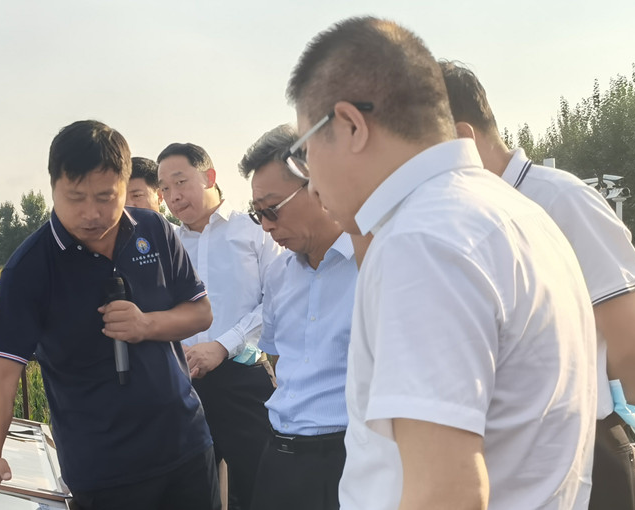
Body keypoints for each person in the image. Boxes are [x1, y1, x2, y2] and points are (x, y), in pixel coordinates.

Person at [286, 17, 597, 510]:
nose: (310, 181)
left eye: (305, 151)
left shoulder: (421, 241)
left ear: (350, 125)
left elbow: (447, 493)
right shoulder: (512, 212)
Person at [440, 61, 635, 510]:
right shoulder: (467, 213)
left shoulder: (559, 199)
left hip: (575, 453)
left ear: (461, 137)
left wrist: (604, 432)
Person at [0, 120, 219, 510]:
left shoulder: (154, 230)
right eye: (75, 197)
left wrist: (146, 325)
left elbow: (200, 313)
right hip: (104, 470)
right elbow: (1, 373)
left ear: (126, 185)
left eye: (106, 197)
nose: (91, 213)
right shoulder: (30, 268)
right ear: (53, 187)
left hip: (185, 446)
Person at [157, 142, 282, 510]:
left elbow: (276, 300)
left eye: (180, 182)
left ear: (209, 176)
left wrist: (223, 345)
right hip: (185, 387)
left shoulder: (255, 230)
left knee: (260, 490)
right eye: (164, 188)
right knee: (191, 495)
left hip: (244, 381)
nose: (173, 196)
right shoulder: (167, 244)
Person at [240, 124, 357, 510]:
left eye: (272, 209)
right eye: (258, 214)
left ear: (318, 185)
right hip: (279, 457)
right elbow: (277, 356)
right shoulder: (279, 274)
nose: (267, 225)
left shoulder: (374, 263)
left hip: (347, 462)